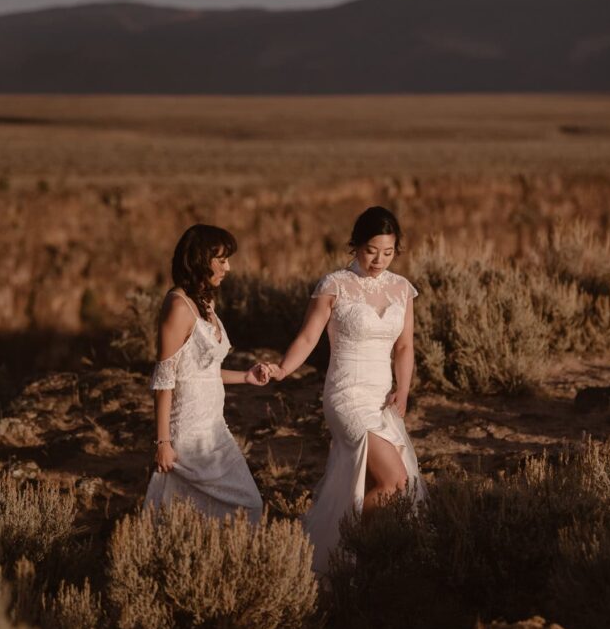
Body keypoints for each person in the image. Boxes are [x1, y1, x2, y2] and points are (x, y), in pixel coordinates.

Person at [268, 206, 427, 573]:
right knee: (396, 481)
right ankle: (348, 545)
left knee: (377, 481)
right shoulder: (334, 285)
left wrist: (403, 391)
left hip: (382, 398)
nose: (379, 260)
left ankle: (359, 562)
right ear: (355, 244)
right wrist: (282, 369)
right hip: (345, 396)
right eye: (372, 250)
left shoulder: (402, 289)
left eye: (388, 252)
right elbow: (308, 337)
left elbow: (404, 347)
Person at [144, 224, 267, 523]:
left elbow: (203, 372)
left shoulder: (206, 303)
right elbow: (164, 380)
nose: (229, 267)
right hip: (188, 432)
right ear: (201, 260)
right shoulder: (178, 307)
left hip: (214, 428)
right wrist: (163, 443)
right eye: (222, 260)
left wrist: (246, 377)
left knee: (197, 511)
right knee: (247, 505)